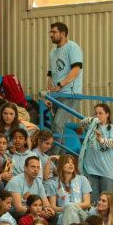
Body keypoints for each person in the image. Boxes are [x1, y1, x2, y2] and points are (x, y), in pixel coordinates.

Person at [47, 21, 84, 151]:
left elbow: (76, 70)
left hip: (70, 93)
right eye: (50, 32)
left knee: (57, 125)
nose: (51, 34)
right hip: (56, 95)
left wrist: (59, 85)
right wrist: (49, 94)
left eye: (54, 32)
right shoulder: (52, 52)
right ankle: (62, 162)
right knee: (56, 129)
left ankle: (53, 161)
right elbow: (50, 75)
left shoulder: (73, 47)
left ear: (63, 34)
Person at [79, 103, 113, 202]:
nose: (97, 116)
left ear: (107, 114)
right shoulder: (91, 127)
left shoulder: (112, 128)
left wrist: (100, 139)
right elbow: (82, 123)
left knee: (108, 200)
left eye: (100, 113)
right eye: (95, 113)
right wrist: (90, 120)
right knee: (92, 200)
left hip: (106, 169)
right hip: (91, 168)